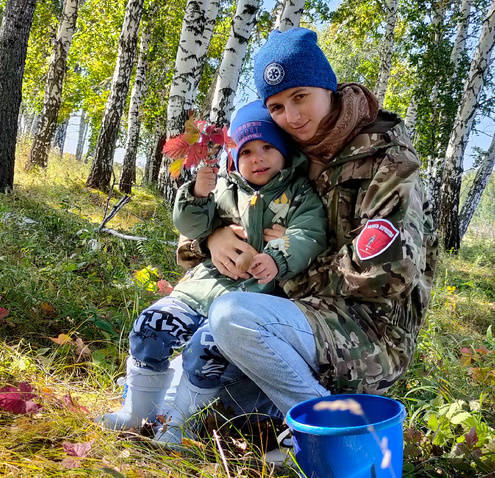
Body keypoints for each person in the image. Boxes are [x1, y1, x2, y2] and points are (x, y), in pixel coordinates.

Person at [173, 27, 438, 451]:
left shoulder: (387, 158)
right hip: (287, 315)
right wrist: (213, 239)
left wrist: (285, 263)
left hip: (366, 331)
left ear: (328, 87)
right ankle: (284, 413)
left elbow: (385, 274)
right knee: (194, 381)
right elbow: (218, 222)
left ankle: (331, 438)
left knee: (230, 317)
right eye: (277, 106)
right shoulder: (284, 152)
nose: (292, 116)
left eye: (301, 96)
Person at [98, 101, 327, 437]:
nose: (257, 158)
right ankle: (136, 412)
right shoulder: (224, 188)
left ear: (285, 152)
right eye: (246, 151)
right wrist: (196, 193)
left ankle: (179, 424)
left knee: (205, 352)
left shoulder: (298, 195)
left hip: (247, 300)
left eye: (268, 147)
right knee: (151, 327)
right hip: (199, 290)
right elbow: (191, 224)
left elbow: (308, 233)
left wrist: (277, 256)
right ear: (235, 158)